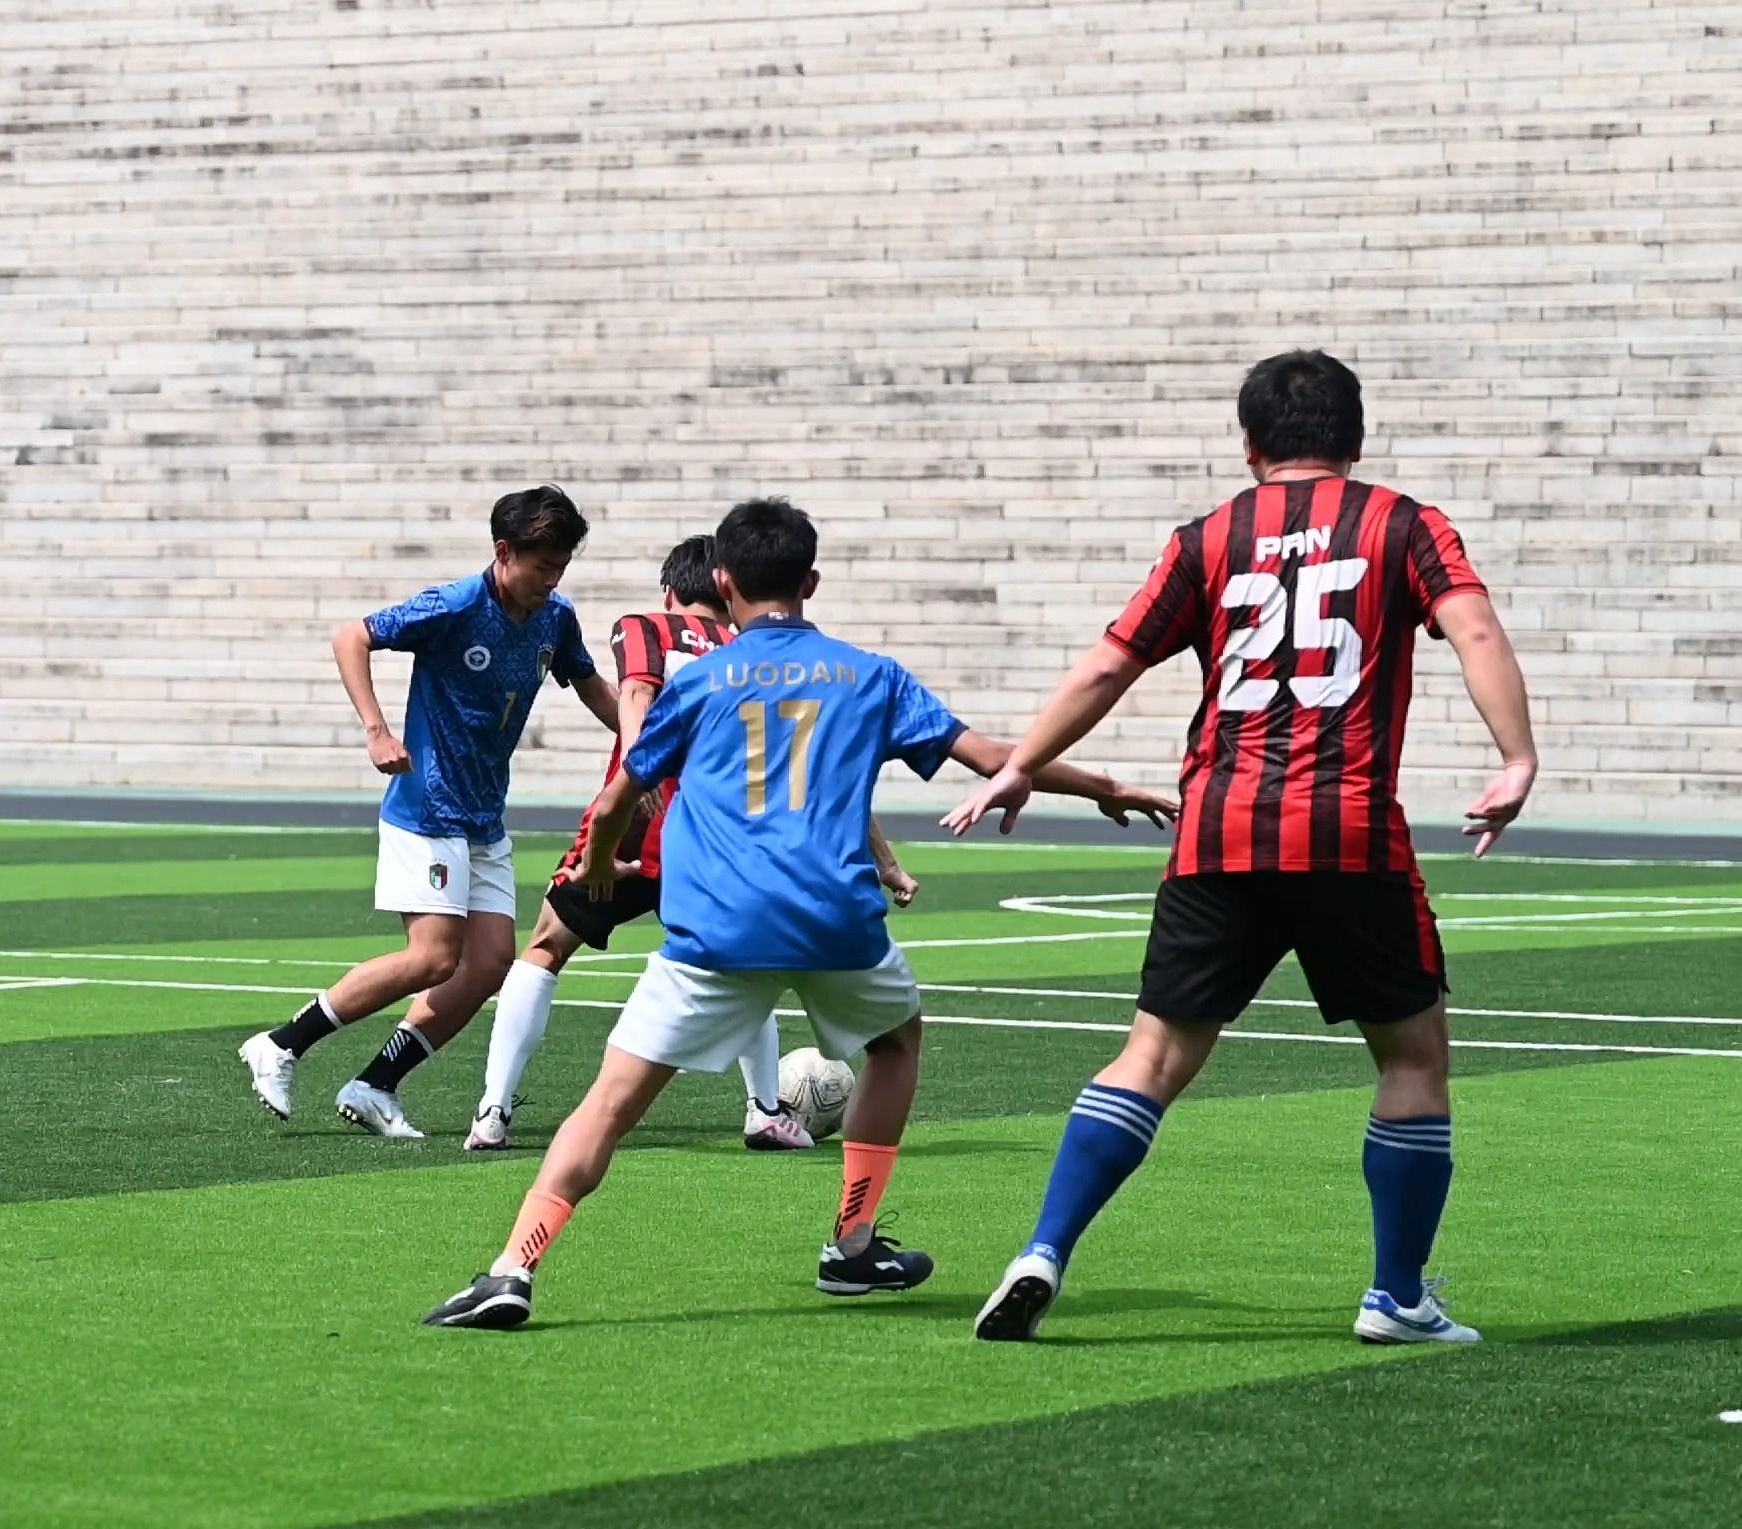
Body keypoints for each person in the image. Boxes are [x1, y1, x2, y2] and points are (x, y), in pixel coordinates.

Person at [424, 498, 1173, 1331]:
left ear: (721, 582)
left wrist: (601, 870)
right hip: (836, 926)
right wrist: (1107, 787)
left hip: (716, 931)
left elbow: (611, 807)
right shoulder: (868, 673)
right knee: (896, 1044)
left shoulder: (700, 679)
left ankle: (512, 1269)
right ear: (811, 581)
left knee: (608, 1103)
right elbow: (998, 760)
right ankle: (852, 1245)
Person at [948, 350, 1538, 1349]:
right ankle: (1396, 1298)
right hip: (1347, 836)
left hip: (1217, 832)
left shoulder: (1209, 536)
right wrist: (1516, 757)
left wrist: (1023, 762)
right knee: (1411, 1058)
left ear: (1251, 442)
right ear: (1354, 439)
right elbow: (1473, 630)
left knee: (1154, 1055)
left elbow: (1108, 663)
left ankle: (1044, 1249)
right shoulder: (1404, 522)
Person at [465, 534, 868, 1154]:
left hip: (637, 819)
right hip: (719, 837)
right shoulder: (750, 652)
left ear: (671, 591)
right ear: (728, 591)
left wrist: (638, 769)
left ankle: (493, 1112)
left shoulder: (645, 626)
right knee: (745, 965)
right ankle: (764, 1110)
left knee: (545, 948)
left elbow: (636, 693)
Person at [240, 487, 619, 1141]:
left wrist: (652, 748)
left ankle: (375, 1084)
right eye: (542, 567)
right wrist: (375, 730)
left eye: (560, 568)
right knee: (433, 959)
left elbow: (590, 685)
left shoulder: (555, 619)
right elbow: (350, 636)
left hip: (482, 816)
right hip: (427, 808)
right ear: (504, 553)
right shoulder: (454, 606)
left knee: (492, 961)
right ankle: (280, 1044)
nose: (552, 580)